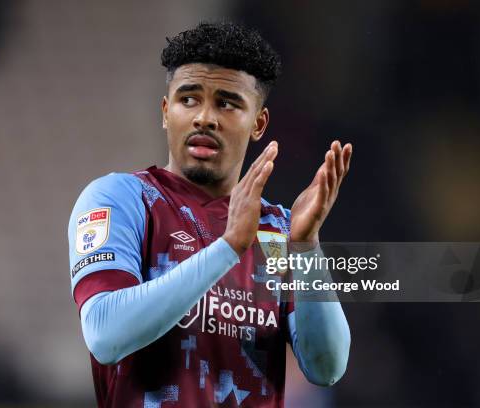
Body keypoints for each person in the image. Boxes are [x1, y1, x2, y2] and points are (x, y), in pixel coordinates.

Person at [68, 21, 352, 407]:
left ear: (258, 124)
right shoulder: (123, 199)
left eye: (227, 102)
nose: (205, 117)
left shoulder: (274, 231)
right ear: (166, 112)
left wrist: (306, 247)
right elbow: (105, 334)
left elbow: (327, 366)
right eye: (188, 99)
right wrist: (229, 247)